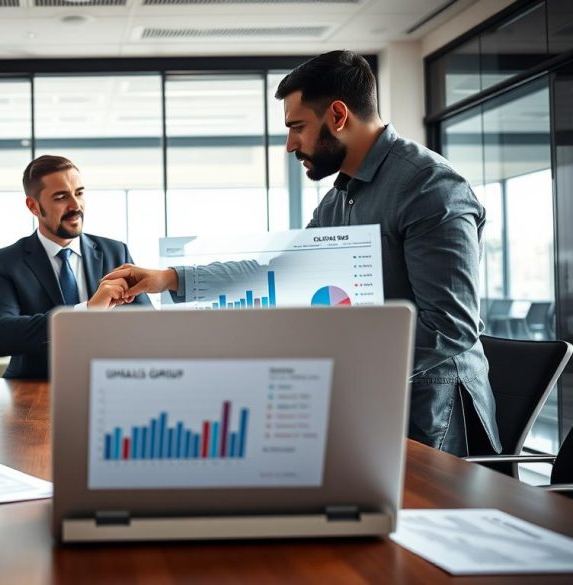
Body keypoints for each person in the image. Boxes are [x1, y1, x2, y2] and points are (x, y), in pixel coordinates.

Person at [103, 51, 499, 457]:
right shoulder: (340, 198)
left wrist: (336, 367)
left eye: (297, 127)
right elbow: (281, 271)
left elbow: (450, 326)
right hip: (372, 400)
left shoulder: (429, 187)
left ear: (338, 116)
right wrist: (168, 278)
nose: (291, 144)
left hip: (433, 411)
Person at [0, 155, 150, 379]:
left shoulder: (115, 252)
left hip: (108, 383)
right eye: (61, 197)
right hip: (35, 387)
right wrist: (86, 312)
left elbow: (148, 327)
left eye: (79, 193)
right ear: (33, 206)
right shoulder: (6, 261)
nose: (75, 205)